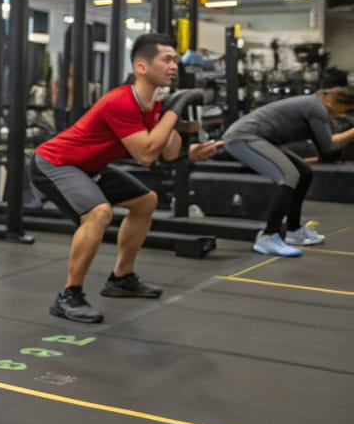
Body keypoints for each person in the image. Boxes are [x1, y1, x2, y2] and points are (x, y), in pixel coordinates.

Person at [28, 33, 224, 324]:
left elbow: (167, 152)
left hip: (89, 166)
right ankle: (69, 296)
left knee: (146, 201)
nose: (174, 66)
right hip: (55, 162)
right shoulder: (121, 102)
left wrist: (184, 138)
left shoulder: (154, 104)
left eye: (175, 61)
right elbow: (146, 154)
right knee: (98, 213)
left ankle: (121, 278)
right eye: (167, 60)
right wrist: (173, 110)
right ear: (141, 67)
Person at [221, 86, 354, 256]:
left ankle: (293, 230)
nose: (344, 114)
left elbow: (325, 152)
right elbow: (328, 148)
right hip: (244, 137)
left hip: (264, 139)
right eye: (348, 109)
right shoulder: (317, 108)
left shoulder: (316, 106)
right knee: (288, 175)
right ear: (340, 103)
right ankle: (268, 236)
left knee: (304, 173)